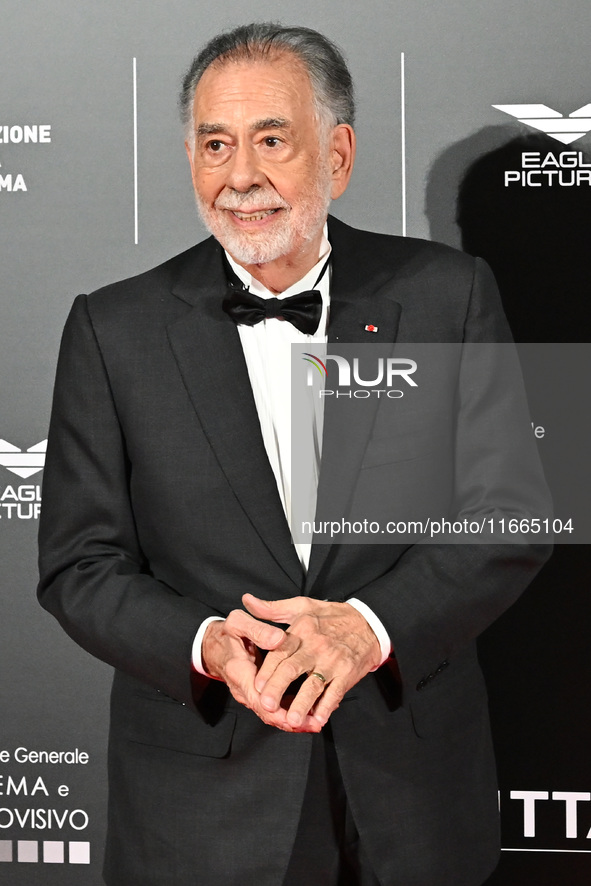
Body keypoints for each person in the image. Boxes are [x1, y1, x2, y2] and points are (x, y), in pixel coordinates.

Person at [37, 23, 551, 886]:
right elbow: (76, 566)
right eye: (214, 145)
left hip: (412, 794)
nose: (240, 177)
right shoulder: (111, 326)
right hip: (198, 808)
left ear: (338, 154)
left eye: (271, 140)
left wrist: (369, 628)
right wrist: (205, 643)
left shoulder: (446, 295)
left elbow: (514, 512)